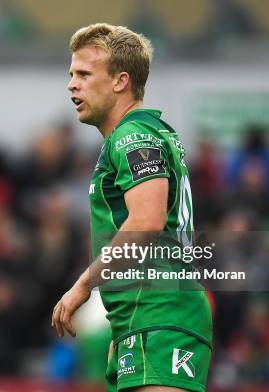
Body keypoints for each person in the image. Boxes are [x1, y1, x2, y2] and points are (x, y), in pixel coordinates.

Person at [51, 23, 212, 392]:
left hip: (162, 315)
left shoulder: (133, 136)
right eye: (71, 74)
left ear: (121, 81)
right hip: (144, 318)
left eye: (84, 74)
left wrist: (84, 285)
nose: (72, 84)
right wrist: (123, 325)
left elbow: (147, 221)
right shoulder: (148, 133)